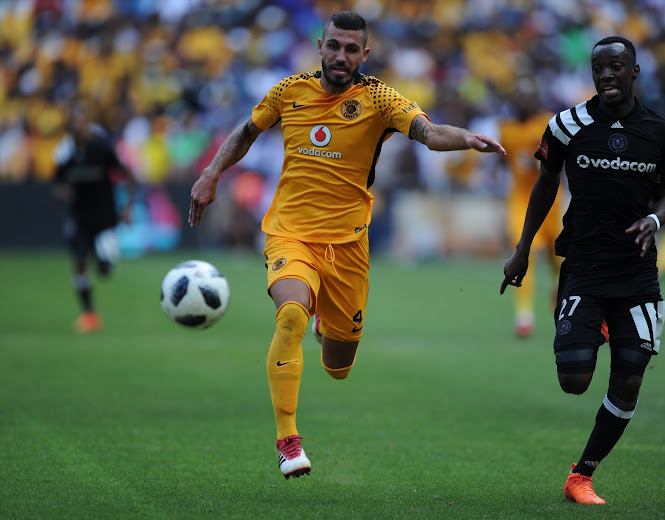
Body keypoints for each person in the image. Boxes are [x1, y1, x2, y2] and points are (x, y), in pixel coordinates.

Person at [188, 11, 506, 479]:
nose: (341, 56)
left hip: (348, 249)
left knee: (338, 365)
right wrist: (212, 172)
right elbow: (246, 131)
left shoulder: (378, 98)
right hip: (289, 233)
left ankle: (325, 320)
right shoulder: (289, 90)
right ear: (320, 46)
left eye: (351, 49)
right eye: (334, 46)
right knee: (291, 314)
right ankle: (288, 441)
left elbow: (430, 132)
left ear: (365, 54)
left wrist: (468, 140)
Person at [501, 36, 665, 504]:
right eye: (598, 68)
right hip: (582, 265)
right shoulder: (565, 125)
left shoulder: (663, 132)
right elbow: (544, 185)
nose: (606, 75)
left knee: (629, 377)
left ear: (635, 71)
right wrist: (522, 250)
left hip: (638, 273)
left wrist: (656, 218)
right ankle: (595, 324)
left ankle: (582, 475)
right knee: (574, 379)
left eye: (616, 67)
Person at [53, 104, 137, 333]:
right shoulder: (67, 155)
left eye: (82, 123)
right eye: (75, 124)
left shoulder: (101, 149)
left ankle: (104, 262)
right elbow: (57, 184)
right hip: (80, 219)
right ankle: (89, 315)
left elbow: (129, 176)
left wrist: (128, 207)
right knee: (79, 262)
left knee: (104, 270)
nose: (79, 128)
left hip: (105, 218)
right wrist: (63, 193)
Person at [499, 79, 565, 338]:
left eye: (528, 96)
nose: (524, 101)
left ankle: (559, 290)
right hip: (520, 199)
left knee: (557, 258)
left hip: (550, 198)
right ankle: (524, 315)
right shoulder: (505, 128)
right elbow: (503, 161)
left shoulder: (547, 124)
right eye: (520, 96)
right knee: (525, 252)